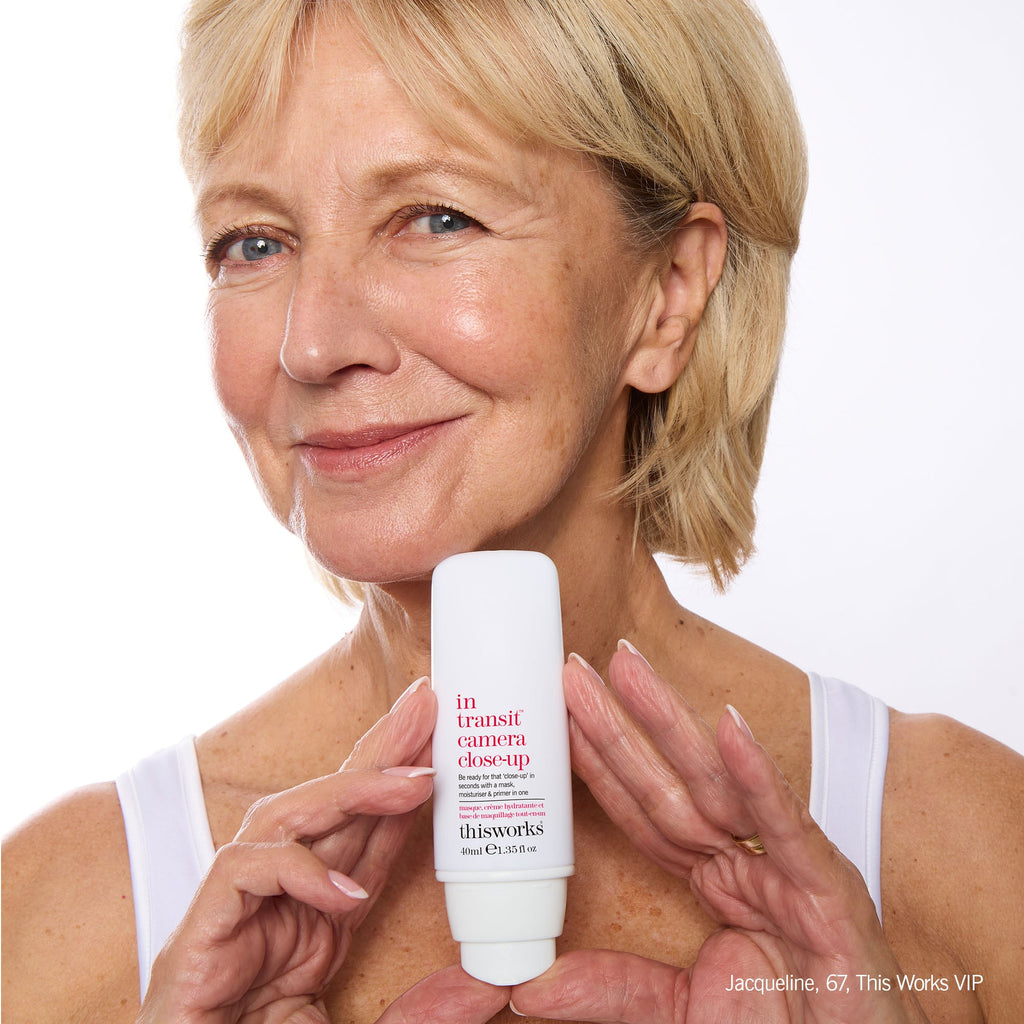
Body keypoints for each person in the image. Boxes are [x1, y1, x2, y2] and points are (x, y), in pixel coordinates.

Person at [3, 0, 1022, 1021]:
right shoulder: (67, 915)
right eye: (254, 242)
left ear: (667, 294)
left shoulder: (969, 853)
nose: (310, 344)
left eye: (436, 219)